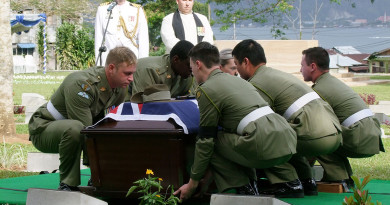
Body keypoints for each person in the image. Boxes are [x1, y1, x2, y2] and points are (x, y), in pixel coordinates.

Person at [174, 42, 297, 201]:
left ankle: (243, 188)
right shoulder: (239, 81)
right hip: (287, 140)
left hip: (263, 143)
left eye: (191, 69)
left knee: (212, 142)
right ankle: (251, 186)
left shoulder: (207, 89)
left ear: (198, 64)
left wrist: (193, 183)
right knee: (235, 138)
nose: (192, 75)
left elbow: (206, 140)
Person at [232, 39, 342, 198]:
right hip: (334, 133)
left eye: (236, 65)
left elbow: (256, 122)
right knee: (287, 133)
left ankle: (288, 183)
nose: (237, 72)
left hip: (315, 135)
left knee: (265, 137)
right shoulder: (276, 74)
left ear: (246, 62)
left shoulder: (256, 83)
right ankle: (306, 180)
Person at [28, 47, 137, 191]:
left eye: (133, 73)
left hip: (77, 128)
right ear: (111, 68)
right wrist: (101, 169)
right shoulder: (81, 85)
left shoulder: (120, 86)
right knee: (75, 129)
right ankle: (68, 184)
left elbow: (111, 122)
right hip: (44, 128)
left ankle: (99, 179)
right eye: (127, 73)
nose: (131, 79)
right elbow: (87, 133)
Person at [300, 47, 385, 190]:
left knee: (318, 138)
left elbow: (313, 129)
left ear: (313, 66)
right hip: (370, 134)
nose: (300, 69)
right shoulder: (331, 82)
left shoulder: (318, 91)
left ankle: (337, 178)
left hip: (360, 136)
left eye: (302, 65)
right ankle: (345, 177)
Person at [130, 40, 196, 98]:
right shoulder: (151, 70)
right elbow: (141, 104)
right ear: (176, 59)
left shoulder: (186, 75)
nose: (192, 69)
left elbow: (188, 100)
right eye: (189, 65)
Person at [94, 0, 149, 66]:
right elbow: (98, 38)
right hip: (109, 60)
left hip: (131, 60)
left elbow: (144, 40)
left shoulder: (137, 10)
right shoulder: (103, 9)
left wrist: (142, 65)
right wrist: (99, 65)